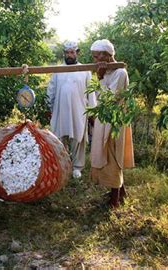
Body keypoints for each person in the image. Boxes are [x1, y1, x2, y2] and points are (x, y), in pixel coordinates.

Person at [89, 39, 134, 208]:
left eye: (96, 57)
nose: (94, 61)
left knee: (114, 154)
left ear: (106, 56)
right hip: (104, 118)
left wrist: (100, 77)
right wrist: (101, 76)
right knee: (106, 152)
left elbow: (109, 98)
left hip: (115, 120)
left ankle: (114, 201)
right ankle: (121, 192)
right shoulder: (106, 71)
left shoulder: (120, 73)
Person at [47, 41, 96, 179]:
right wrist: (49, 107)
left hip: (79, 111)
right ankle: (61, 166)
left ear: (77, 53)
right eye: (67, 52)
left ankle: (77, 167)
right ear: (64, 53)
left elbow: (90, 92)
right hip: (60, 110)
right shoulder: (58, 70)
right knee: (59, 138)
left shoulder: (85, 70)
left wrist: (91, 112)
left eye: (72, 52)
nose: (69, 55)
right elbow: (51, 90)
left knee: (78, 138)